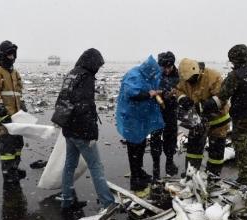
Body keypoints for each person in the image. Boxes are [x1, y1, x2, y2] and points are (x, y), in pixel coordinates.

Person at [57, 48, 115, 211]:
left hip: (69, 128)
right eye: (98, 65)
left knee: (69, 165)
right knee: (96, 166)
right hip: (81, 130)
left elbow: (64, 100)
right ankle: (108, 203)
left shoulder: (72, 74)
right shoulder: (86, 77)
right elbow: (85, 107)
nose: (98, 68)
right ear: (91, 63)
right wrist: (92, 133)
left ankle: (66, 200)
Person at [116, 56, 164, 195]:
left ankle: (139, 170)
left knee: (141, 144)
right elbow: (132, 93)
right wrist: (149, 94)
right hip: (131, 117)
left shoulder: (146, 76)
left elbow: (154, 86)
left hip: (140, 117)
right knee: (134, 148)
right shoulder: (134, 75)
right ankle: (135, 177)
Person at [175, 58, 230, 179]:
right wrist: (182, 98)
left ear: (198, 72)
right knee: (193, 149)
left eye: (192, 79)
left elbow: (222, 96)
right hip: (197, 121)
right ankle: (191, 174)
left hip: (218, 120)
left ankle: (213, 175)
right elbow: (178, 90)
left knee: (216, 152)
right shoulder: (185, 79)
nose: (190, 82)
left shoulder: (213, 76)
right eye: (187, 80)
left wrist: (205, 106)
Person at [218, 44, 247, 186]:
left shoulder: (235, 75)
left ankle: (244, 181)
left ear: (235, 59)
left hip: (242, 117)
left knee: (242, 149)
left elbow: (223, 94)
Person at [0, 40, 27, 183]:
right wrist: (1, 111)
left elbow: (18, 92)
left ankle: (14, 167)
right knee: (7, 149)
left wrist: (22, 105)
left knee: (18, 145)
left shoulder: (14, 73)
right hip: (3, 119)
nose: (12, 58)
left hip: (16, 117)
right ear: (2, 55)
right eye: (9, 55)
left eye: (14, 55)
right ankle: (8, 173)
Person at [150, 51, 180, 180]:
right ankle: (156, 165)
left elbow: (183, 91)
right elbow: (148, 91)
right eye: (164, 67)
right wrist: (159, 93)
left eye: (170, 67)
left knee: (171, 137)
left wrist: (174, 94)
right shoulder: (154, 75)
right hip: (156, 112)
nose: (167, 70)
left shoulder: (179, 76)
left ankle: (169, 161)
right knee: (155, 137)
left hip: (171, 112)